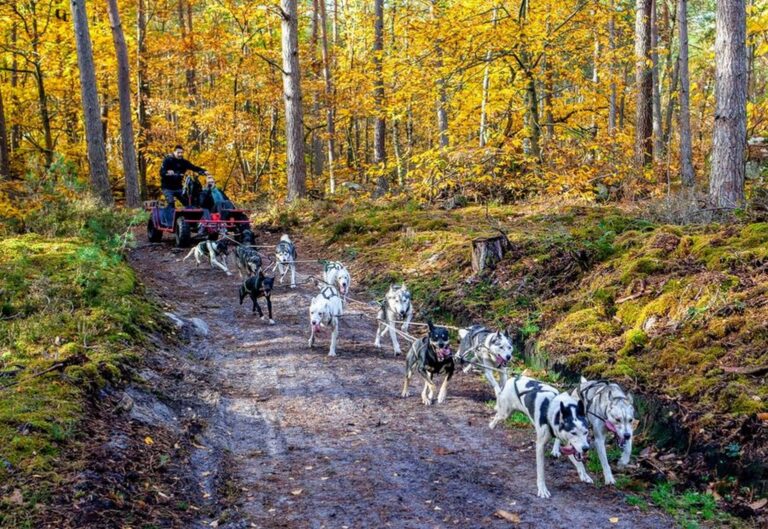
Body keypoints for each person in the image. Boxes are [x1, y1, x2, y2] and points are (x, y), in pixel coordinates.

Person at [159, 145, 207, 224]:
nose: (180, 154)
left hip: (178, 187)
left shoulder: (184, 162)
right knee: (171, 202)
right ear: (174, 152)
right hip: (167, 187)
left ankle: (190, 221)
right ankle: (168, 222)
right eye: (178, 152)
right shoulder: (167, 160)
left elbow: (193, 167)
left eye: (181, 152)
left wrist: (203, 171)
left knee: (188, 202)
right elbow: (161, 172)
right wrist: (167, 172)